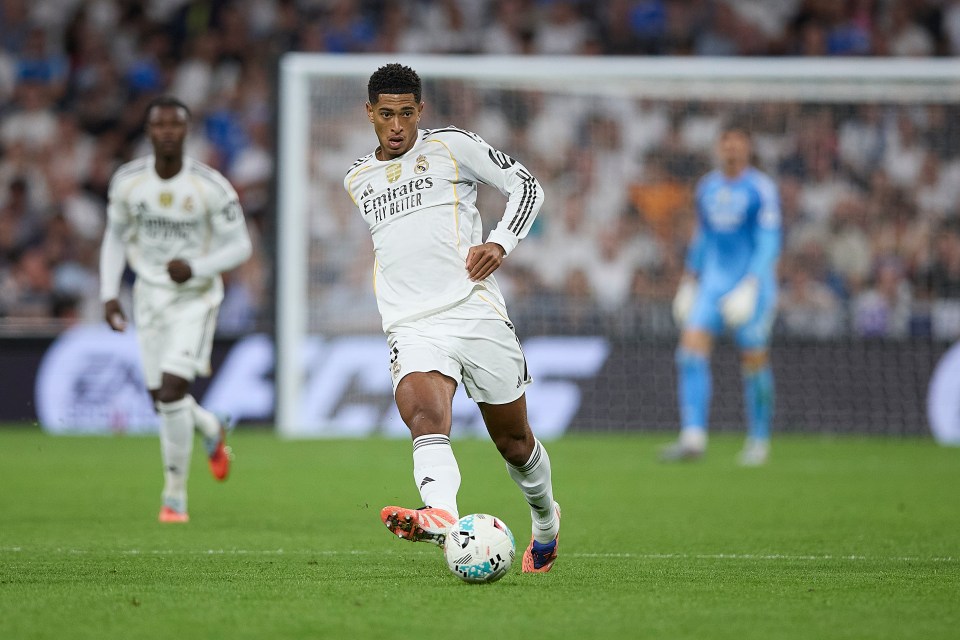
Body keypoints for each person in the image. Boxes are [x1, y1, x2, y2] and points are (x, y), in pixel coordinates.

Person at [343, 63, 561, 572]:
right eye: (386, 114)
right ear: (369, 113)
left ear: (420, 111)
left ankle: (546, 519)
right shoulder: (357, 178)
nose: (397, 125)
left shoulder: (452, 146)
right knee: (423, 415)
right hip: (411, 323)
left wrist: (500, 243)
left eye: (406, 113)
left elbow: (528, 186)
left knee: (514, 442)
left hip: (473, 311)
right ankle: (441, 512)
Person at [99, 96, 252, 522]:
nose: (167, 132)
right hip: (148, 296)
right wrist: (109, 293)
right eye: (159, 125)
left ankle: (174, 497)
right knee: (161, 401)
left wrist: (196, 268)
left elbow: (241, 246)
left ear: (186, 132)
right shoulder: (128, 182)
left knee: (171, 391)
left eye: (175, 125)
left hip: (194, 297)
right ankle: (209, 426)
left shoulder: (210, 186)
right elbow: (114, 238)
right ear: (149, 131)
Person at [664, 121, 782, 466]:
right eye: (726, 141)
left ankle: (759, 440)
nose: (731, 147)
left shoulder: (761, 188)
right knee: (689, 351)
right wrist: (690, 278)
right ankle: (693, 437)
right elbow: (703, 236)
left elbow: (769, 240)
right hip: (713, 284)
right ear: (719, 147)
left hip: (751, 286)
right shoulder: (707, 188)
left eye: (737, 141)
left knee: (754, 361)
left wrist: (752, 283)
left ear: (748, 147)